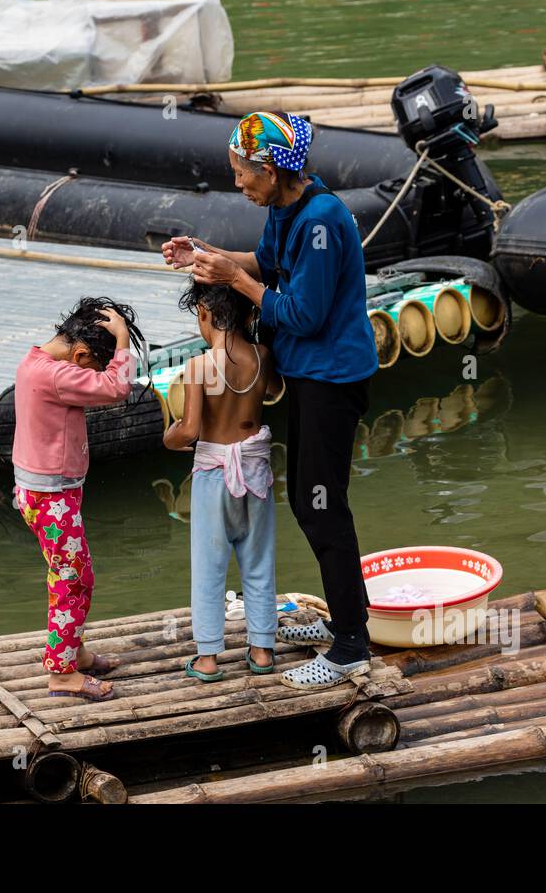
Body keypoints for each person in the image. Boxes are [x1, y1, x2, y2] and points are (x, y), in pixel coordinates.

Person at [161, 110, 379, 691]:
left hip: (332, 375)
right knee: (312, 502)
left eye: (242, 173)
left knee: (322, 503)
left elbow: (302, 315)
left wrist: (236, 280)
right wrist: (207, 255)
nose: (238, 183)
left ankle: (352, 645)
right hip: (309, 375)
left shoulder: (321, 221)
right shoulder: (285, 210)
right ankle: (344, 621)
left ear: (275, 169)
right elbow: (268, 266)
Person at [12, 297, 135, 701]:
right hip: (51, 498)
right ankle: (62, 672)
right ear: (80, 354)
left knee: (66, 574)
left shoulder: (35, 363)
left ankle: (71, 649)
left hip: (44, 493)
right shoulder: (57, 375)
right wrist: (120, 343)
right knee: (73, 579)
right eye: (92, 365)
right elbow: (116, 388)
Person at [164, 280, 280, 682]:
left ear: (204, 315)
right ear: (249, 315)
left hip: (214, 474)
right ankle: (263, 649)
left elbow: (191, 430)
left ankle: (209, 657)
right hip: (257, 474)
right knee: (259, 561)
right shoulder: (264, 357)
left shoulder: (198, 367)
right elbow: (277, 391)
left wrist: (169, 435)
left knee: (209, 567)